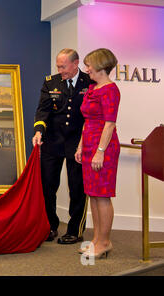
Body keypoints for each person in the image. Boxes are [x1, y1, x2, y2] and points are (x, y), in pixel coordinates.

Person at [32, 48, 93, 244]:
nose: (60, 69)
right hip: (53, 141)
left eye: (63, 66)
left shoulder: (89, 83)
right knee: (48, 185)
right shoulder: (51, 82)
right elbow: (43, 110)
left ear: (76, 64)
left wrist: (85, 143)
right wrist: (39, 131)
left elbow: (91, 116)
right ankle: (50, 226)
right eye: (58, 66)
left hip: (78, 142)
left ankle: (75, 230)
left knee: (77, 187)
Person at [75, 48, 120, 259]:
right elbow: (87, 121)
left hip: (104, 147)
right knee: (92, 194)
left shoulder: (110, 90)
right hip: (90, 145)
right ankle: (96, 239)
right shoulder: (93, 88)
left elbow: (109, 124)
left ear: (101, 66)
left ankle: (104, 242)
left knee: (102, 195)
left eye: (89, 65)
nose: (87, 69)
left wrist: (100, 152)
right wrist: (81, 146)